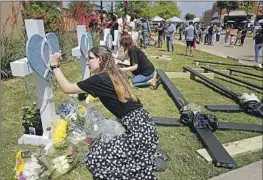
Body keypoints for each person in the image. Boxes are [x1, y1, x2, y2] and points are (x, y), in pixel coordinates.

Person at [50, 46, 159, 179]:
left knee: (96, 159)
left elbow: (67, 88)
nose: (87, 62)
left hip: (137, 132)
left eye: (90, 58)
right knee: (99, 147)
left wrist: (55, 66)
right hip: (144, 125)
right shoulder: (114, 73)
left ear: (100, 59)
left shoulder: (100, 79)